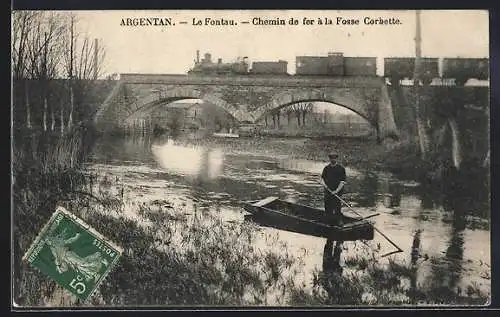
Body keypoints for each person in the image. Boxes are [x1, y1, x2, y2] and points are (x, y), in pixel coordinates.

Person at [320, 152, 347, 226]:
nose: (333, 159)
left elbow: (342, 182)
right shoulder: (326, 168)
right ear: (329, 158)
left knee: (337, 207)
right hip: (327, 192)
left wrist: (336, 191)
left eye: (334, 158)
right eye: (331, 158)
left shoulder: (341, 168)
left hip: (337, 193)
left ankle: (339, 221)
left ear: (336, 158)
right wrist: (324, 185)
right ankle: (328, 222)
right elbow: (322, 179)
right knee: (328, 208)